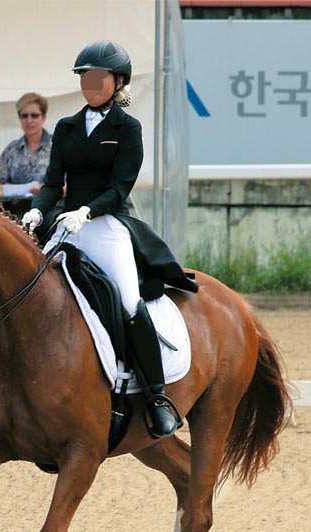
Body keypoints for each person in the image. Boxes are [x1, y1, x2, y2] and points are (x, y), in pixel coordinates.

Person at [23, 40, 197, 439]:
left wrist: (87, 211)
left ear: (118, 82)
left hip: (105, 225)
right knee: (31, 289)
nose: (90, 83)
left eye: (98, 77)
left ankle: (155, 397)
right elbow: (53, 184)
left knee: (129, 302)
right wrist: (37, 210)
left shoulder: (127, 128)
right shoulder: (66, 128)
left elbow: (120, 188)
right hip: (65, 223)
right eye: (85, 76)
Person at [0, 92, 52, 219]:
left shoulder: (57, 146)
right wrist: (7, 189)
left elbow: (72, 184)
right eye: (24, 116)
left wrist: (45, 190)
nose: (29, 120)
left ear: (43, 117)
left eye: (34, 115)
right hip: (17, 213)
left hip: (49, 210)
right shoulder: (12, 149)